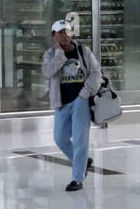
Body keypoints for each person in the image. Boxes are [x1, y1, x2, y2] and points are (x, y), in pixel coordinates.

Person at [42, 19, 102, 192]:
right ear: (54, 36)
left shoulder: (83, 51)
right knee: (59, 138)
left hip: (80, 100)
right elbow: (47, 72)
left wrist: (85, 93)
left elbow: (96, 73)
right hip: (61, 102)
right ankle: (83, 162)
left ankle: (77, 178)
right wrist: (60, 55)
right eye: (60, 33)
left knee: (80, 139)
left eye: (67, 32)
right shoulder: (51, 54)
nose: (64, 36)